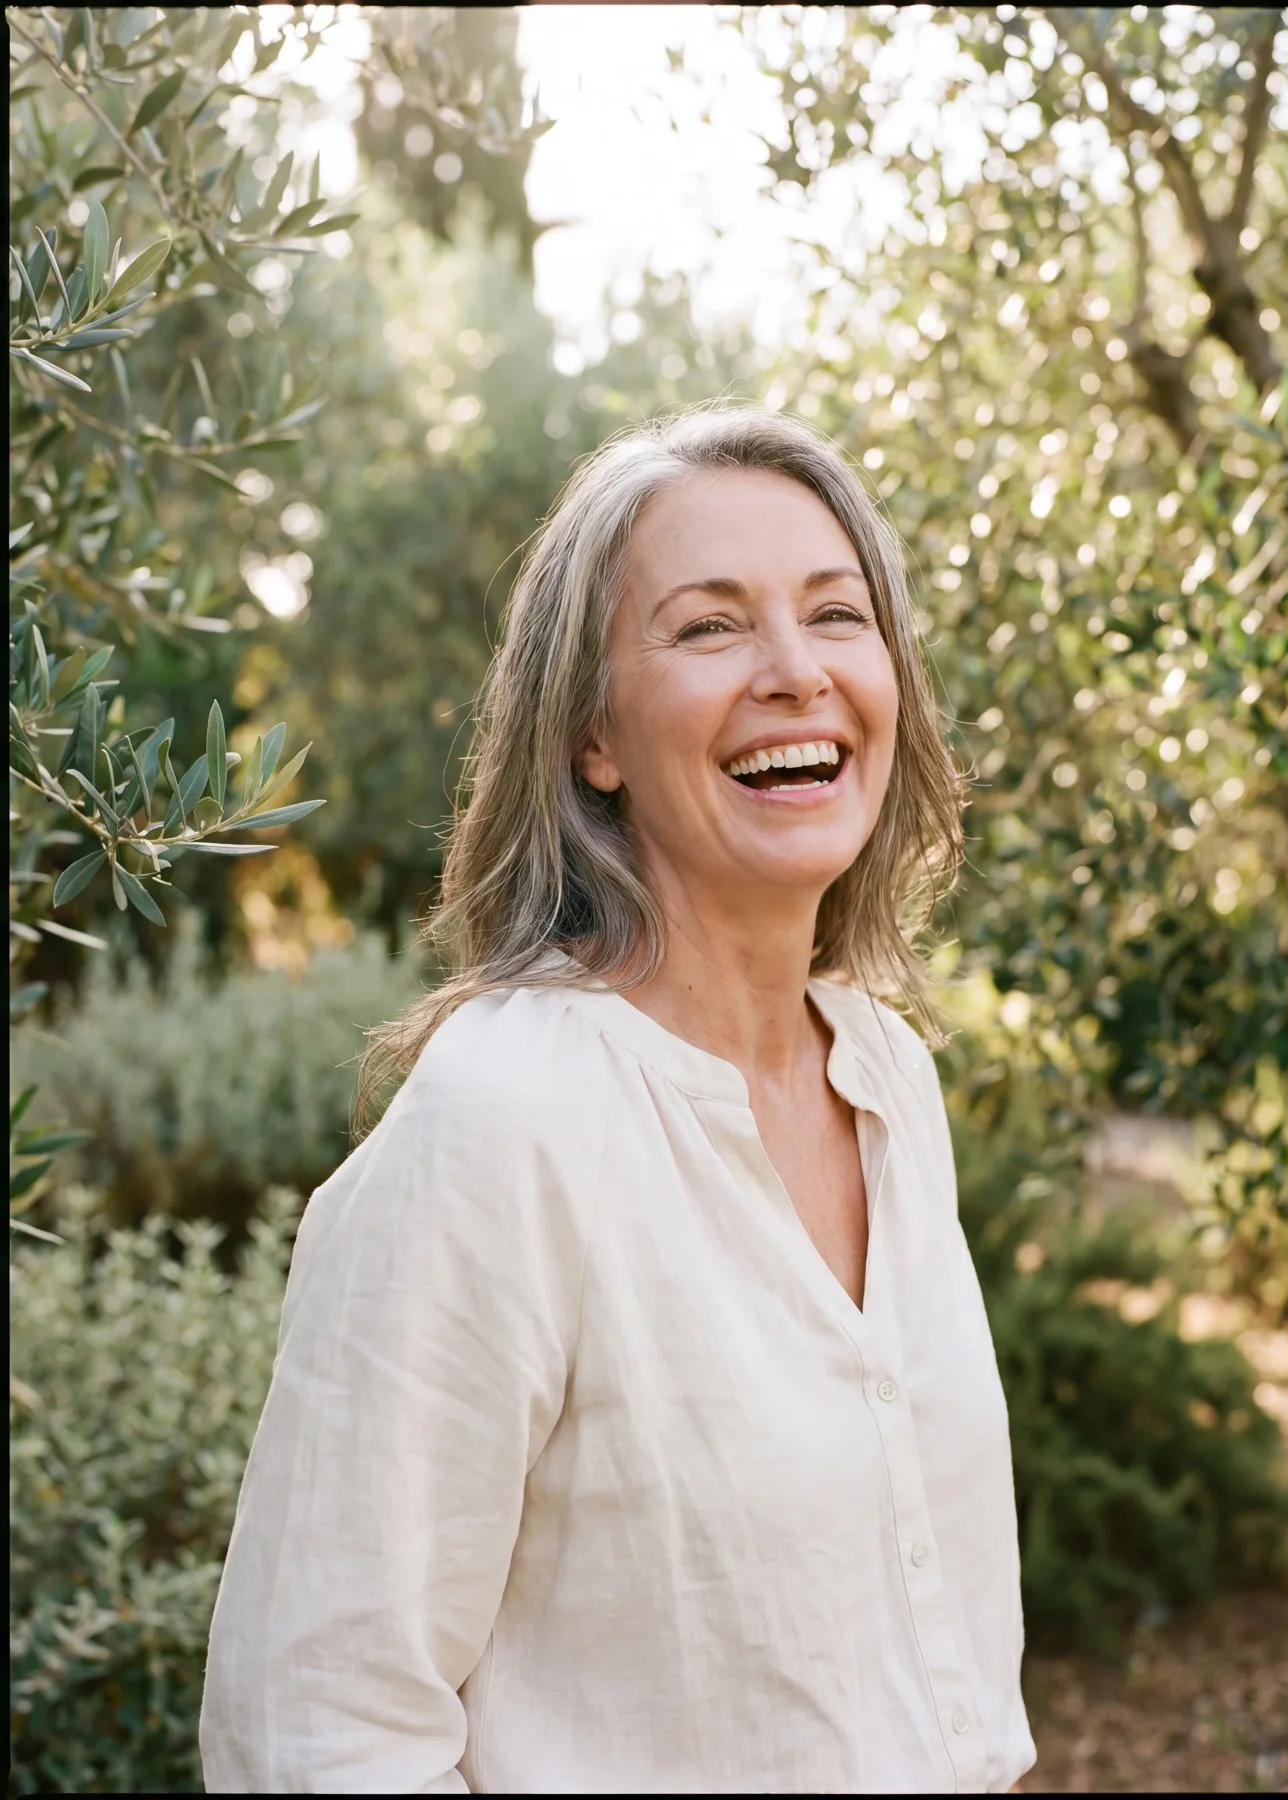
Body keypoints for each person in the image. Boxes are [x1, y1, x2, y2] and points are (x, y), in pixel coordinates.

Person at [199, 405, 1037, 1794]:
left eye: (836, 615)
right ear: (592, 739)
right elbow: (315, 1729)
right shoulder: (502, 1125)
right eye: (708, 629)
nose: (793, 673)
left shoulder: (887, 1070)